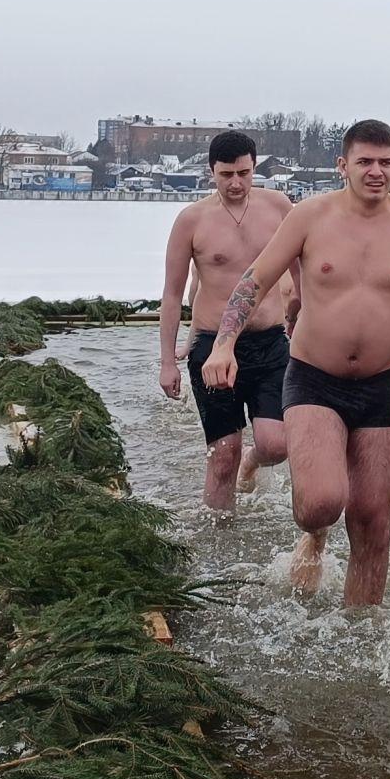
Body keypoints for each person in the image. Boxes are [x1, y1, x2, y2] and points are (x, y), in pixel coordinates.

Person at [205, 119, 390, 605]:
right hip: (315, 378)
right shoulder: (311, 217)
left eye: (385, 162)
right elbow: (255, 278)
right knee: (320, 504)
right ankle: (314, 534)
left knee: (374, 521)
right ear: (342, 166)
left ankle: (360, 633)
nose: (375, 172)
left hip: (384, 384)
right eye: (364, 162)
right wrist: (224, 343)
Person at [158, 131, 296, 510]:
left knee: (276, 444)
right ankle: (220, 541)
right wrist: (168, 362)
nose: (236, 183)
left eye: (244, 173)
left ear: (255, 168)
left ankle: (252, 461)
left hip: (269, 342)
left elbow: (302, 271)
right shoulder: (191, 220)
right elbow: (172, 294)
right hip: (212, 345)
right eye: (226, 175)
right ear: (211, 173)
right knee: (222, 456)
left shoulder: (279, 207)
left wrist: (302, 320)